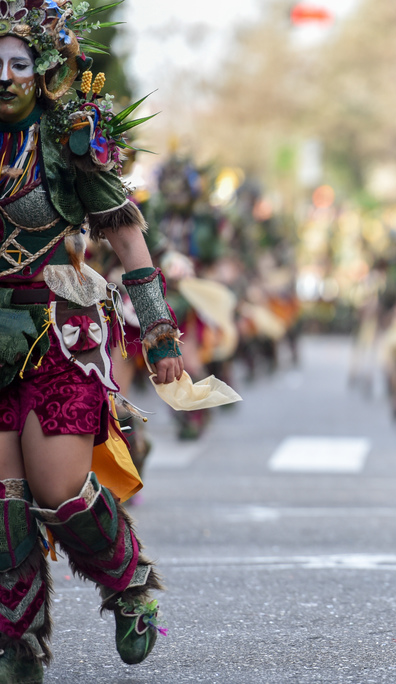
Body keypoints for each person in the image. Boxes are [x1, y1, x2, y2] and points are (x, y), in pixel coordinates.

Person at [0, 3, 183, 680]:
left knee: (60, 490)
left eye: (17, 64)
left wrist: (159, 333)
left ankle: (129, 583)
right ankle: (16, 641)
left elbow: (126, 233)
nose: (4, 77)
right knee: (2, 503)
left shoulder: (68, 135)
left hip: (56, 330)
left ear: (41, 71)